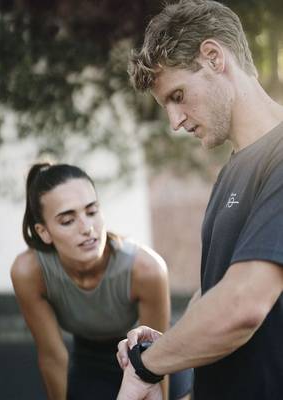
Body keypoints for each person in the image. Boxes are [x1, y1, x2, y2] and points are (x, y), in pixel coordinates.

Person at [116, 0, 283, 399]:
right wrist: (169, 344)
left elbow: (241, 306)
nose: (175, 123)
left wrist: (147, 365)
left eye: (177, 95)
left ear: (213, 57)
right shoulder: (232, 172)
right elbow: (215, 293)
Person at [10, 162, 193, 400]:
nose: (87, 228)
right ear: (43, 232)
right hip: (90, 361)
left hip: (151, 355)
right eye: (68, 220)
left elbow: (156, 352)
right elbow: (52, 356)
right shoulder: (28, 272)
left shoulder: (146, 269)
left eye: (92, 211)